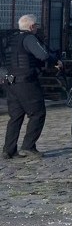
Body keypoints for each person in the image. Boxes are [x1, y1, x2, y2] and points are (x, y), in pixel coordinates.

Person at [2, 14, 62, 159]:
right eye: (36, 26)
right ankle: (28, 147)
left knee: (15, 116)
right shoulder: (29, 38)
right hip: (26, 82)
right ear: (31, 26)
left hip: (10, 81)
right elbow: (42, 55)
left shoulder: (10, 40)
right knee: (38, 113)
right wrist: (56, 61)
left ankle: (8, 150)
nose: (37, 28)